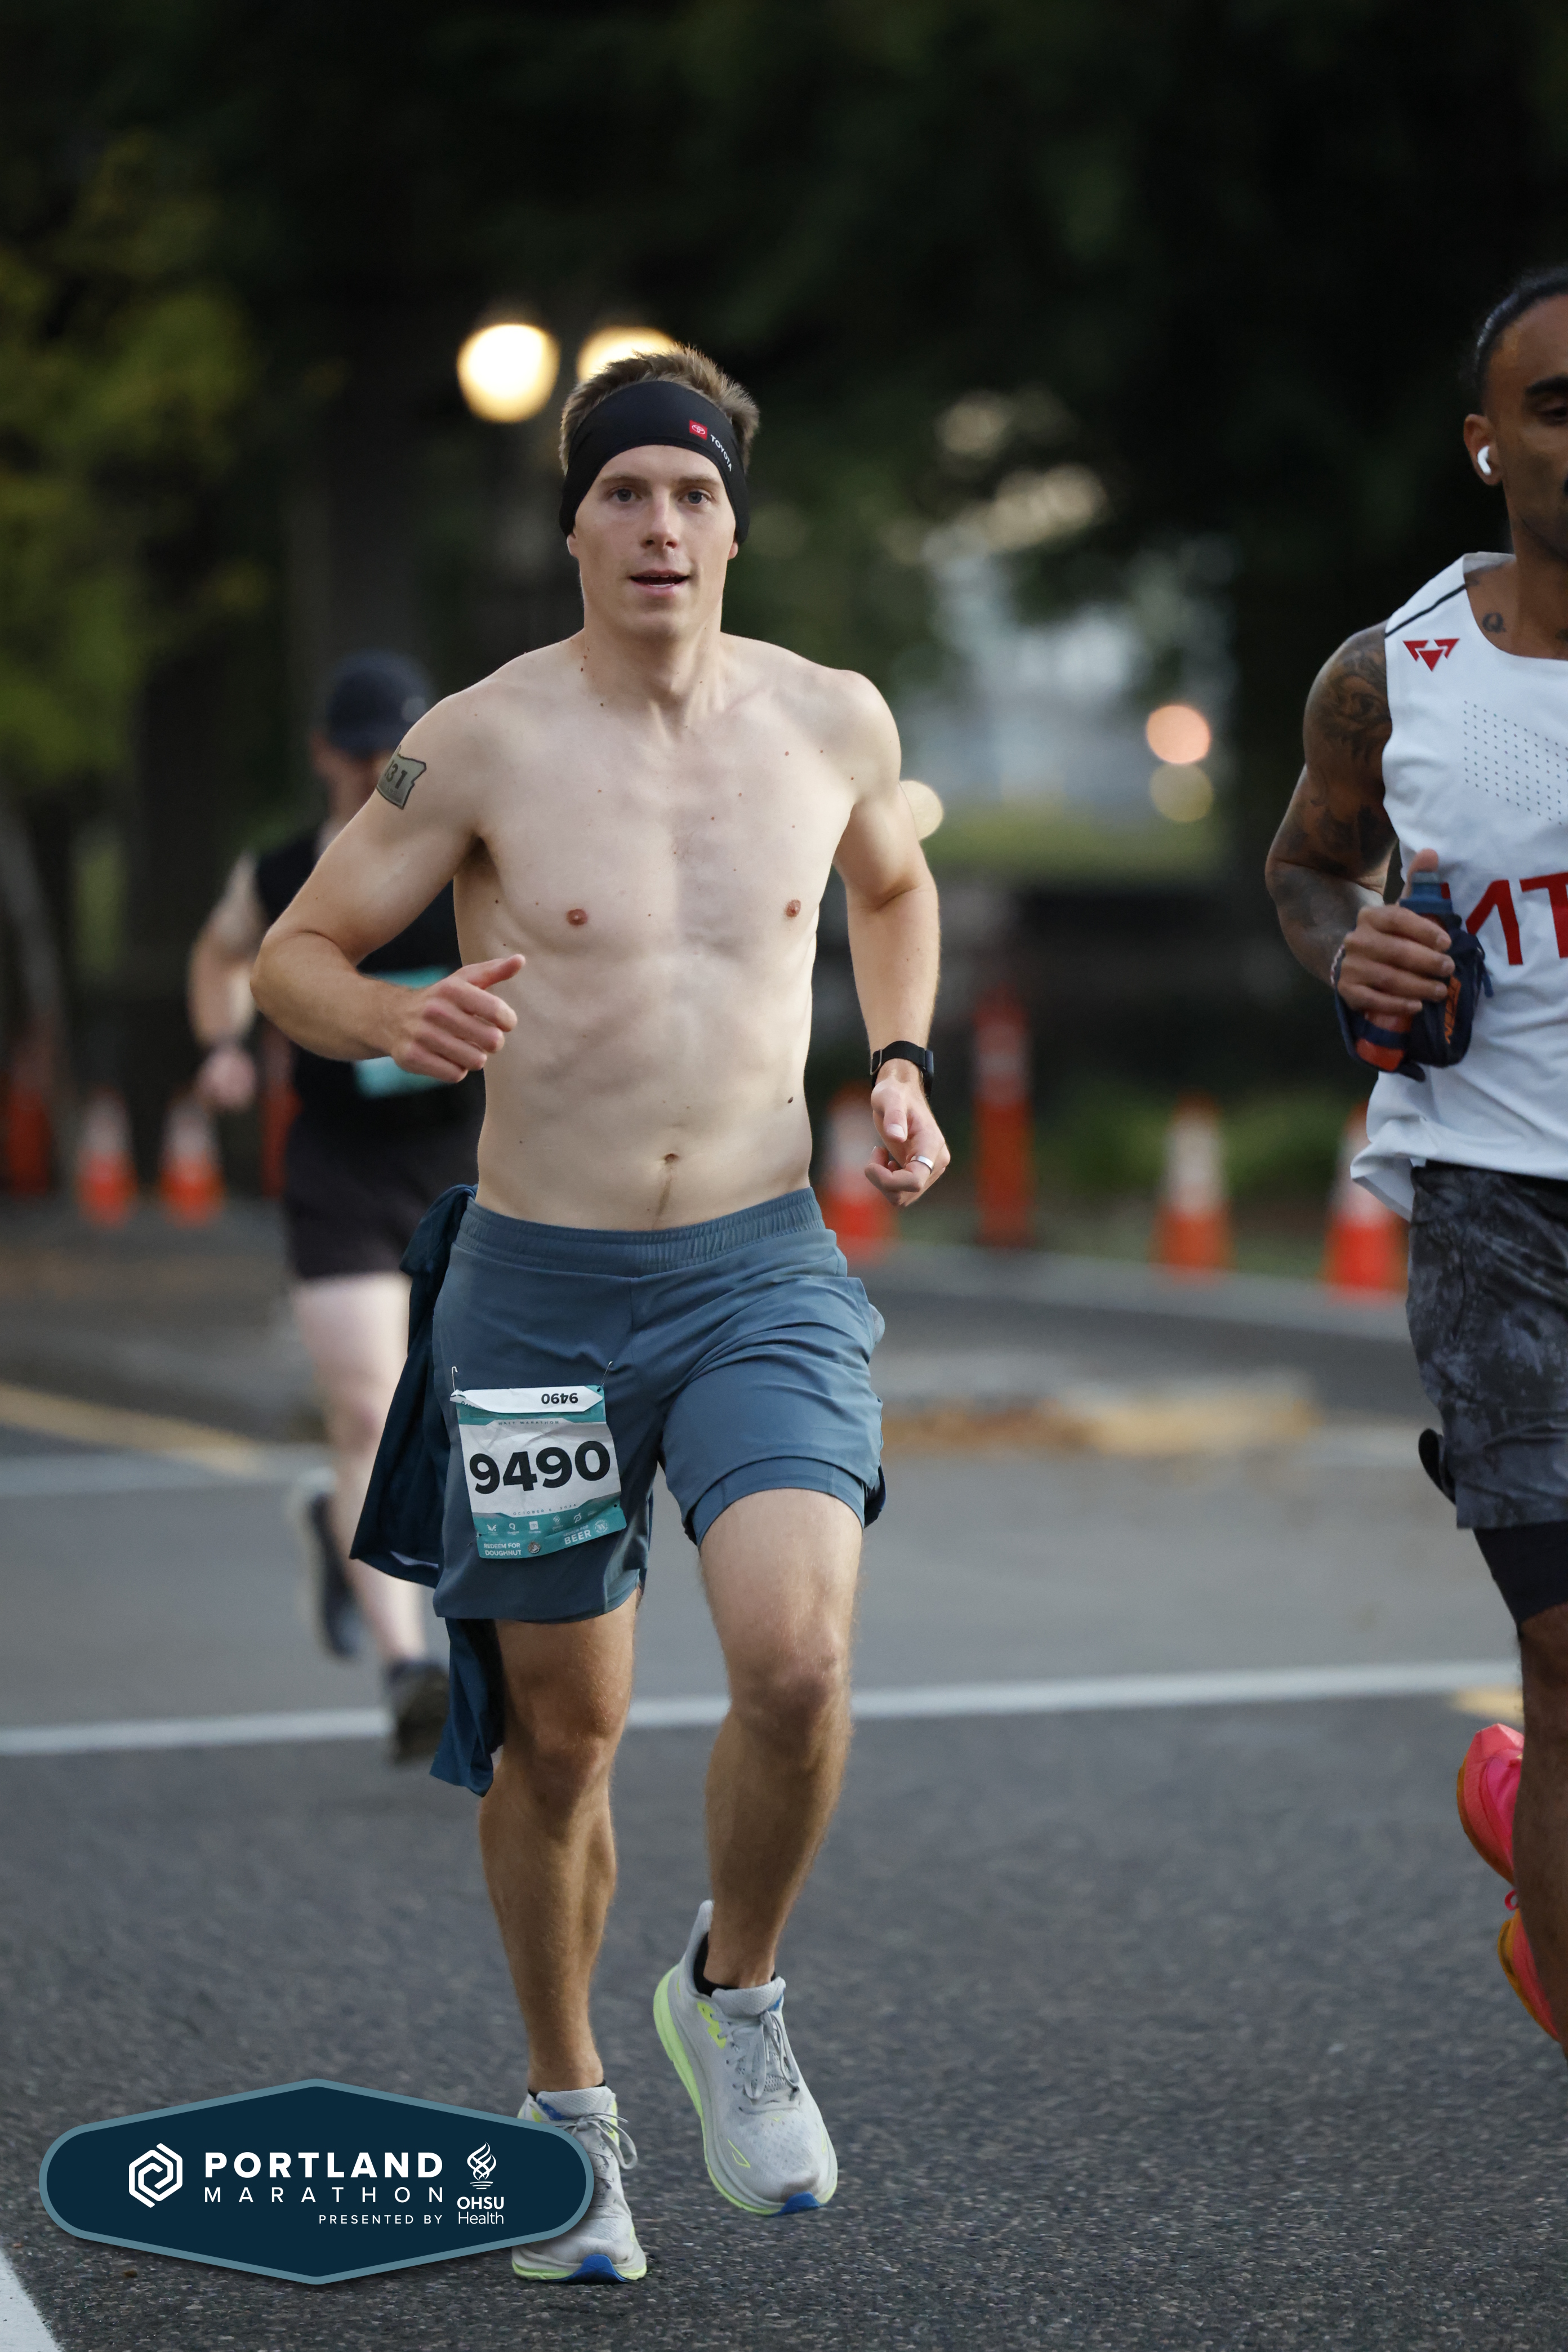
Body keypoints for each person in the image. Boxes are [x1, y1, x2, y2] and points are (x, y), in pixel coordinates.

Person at [251, 345, 948, 2283]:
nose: (661, 525)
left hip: (759, 1273)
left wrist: (897, 1060)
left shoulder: (828, 718)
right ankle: (568, 2119)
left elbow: (895, 888)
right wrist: (391, 1012)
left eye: (693, 493)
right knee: (562, 1741)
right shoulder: (474, 744)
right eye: (624, 492)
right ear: (574, 525)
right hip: (537, 1303)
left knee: (797, 1663)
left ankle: (736, 1992)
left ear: (735, 522)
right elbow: (299, 953)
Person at [1264, 266, 1568, 2055]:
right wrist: (1350, 948)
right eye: (1556, 407)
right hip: (1495, 1205)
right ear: (1486, 444)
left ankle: (1532, 1830)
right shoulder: (1397, 675)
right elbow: (1310, 866)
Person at [188, 650, 475, 1764]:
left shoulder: (466, 855)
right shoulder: (280, 873)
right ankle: (409, 1670)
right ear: (324, 755)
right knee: (365, 1408)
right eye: (358, 755)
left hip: (468, 1158)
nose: (375, 773)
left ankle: (342, 1530)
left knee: (470, 1410)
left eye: (395, 754)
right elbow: (221, 956)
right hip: (341, 1168)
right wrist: (222, 1045)